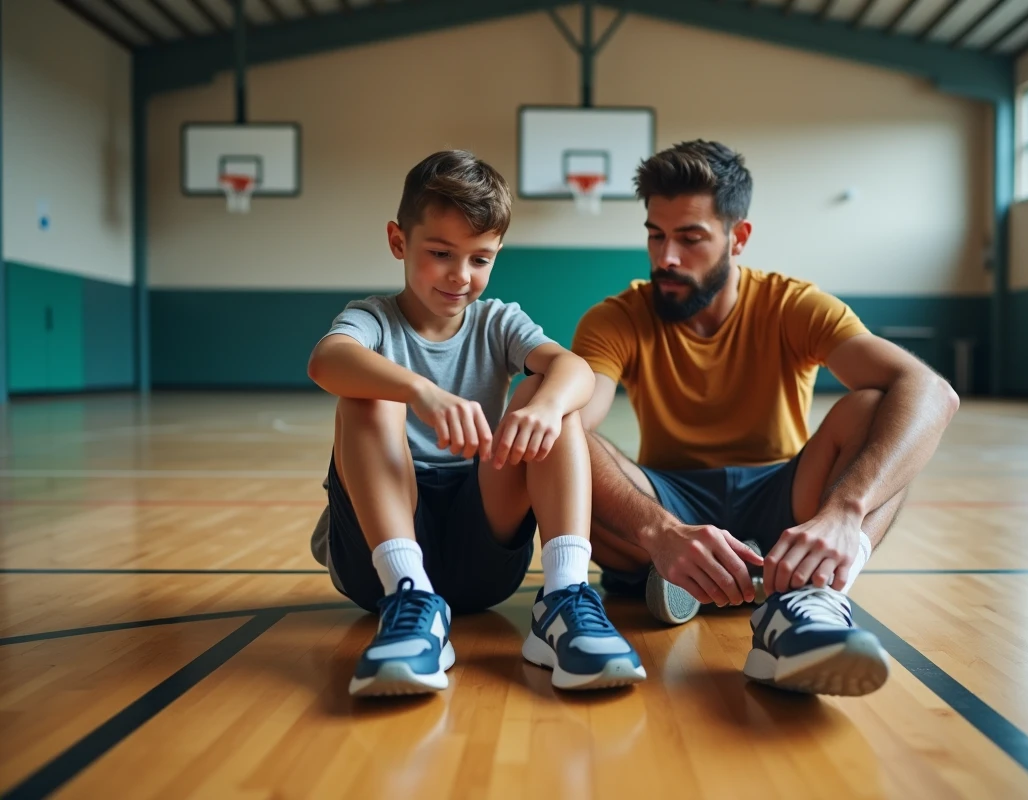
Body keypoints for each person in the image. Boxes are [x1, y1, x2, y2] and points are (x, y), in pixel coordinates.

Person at [572, 140, 959, 696]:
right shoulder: (617, 317)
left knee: (876, 409)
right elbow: (576, 418)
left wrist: (845, 514)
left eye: (690, 238)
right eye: (656, 235)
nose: (667, 258)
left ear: (739, 238)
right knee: (560, 426)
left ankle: (815, 596)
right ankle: (700, 566)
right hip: (666, 506)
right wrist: (658, 529)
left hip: (783, 502)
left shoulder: (789, 304)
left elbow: (931, 392)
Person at [308, 150, 645, 697]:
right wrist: (419, 391)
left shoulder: (497, 322)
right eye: (441, 253)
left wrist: (542, 408)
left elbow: (574, 369)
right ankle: (410, 598)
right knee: (369, 392)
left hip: (480, 551)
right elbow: (326, 362)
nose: (460, 276)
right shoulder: (371, 319)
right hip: (377, 563)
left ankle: (563, 599)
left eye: (480, 259)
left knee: (547, 391)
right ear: (399, 242)